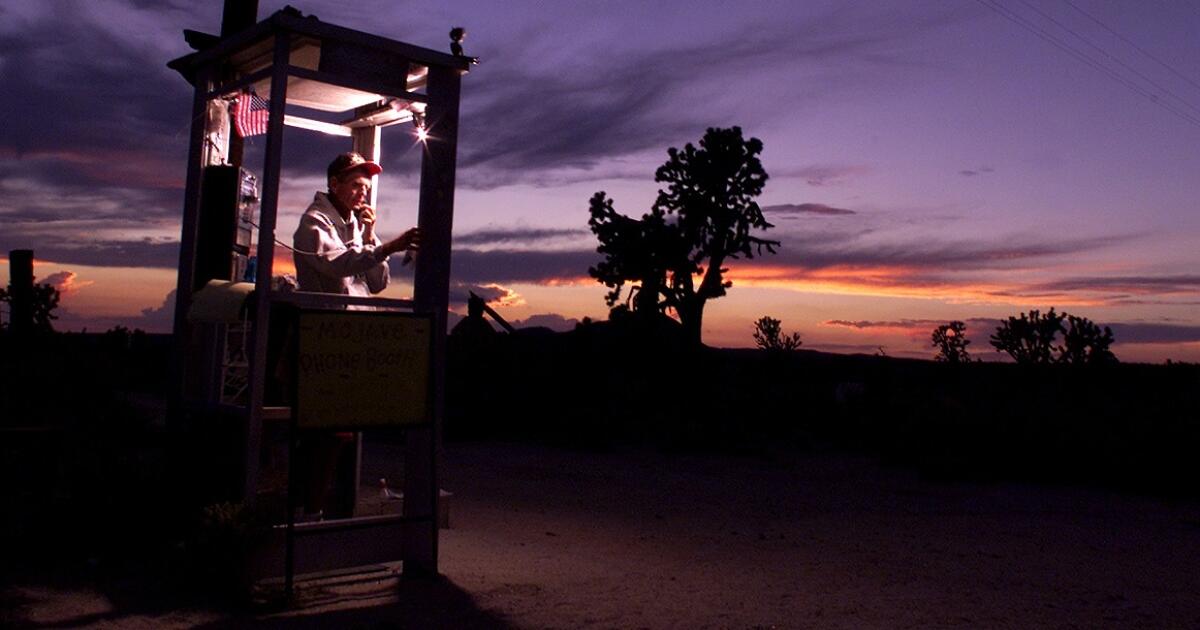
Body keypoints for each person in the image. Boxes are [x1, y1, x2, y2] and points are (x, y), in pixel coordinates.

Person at [292, 152, 420, 298]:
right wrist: (390, 248)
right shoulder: (314, 222)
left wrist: (369, 236)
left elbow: (378, 283)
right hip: (325, 318)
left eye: (367, 188)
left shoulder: (358, 226)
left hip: (358, 318)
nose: (363, 193)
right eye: (356, 185)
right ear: (334, 185)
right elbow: (339, 264)